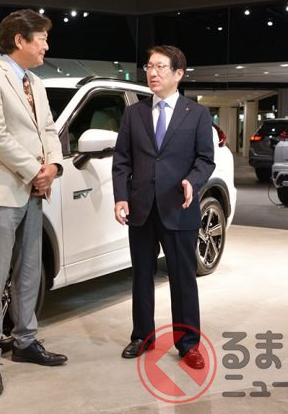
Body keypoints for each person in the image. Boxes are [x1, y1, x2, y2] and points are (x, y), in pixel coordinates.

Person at [0, 8, 67, 396]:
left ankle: (25, 342)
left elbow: (49, 130)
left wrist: (53, 166)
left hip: (34, 191)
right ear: (19, 40)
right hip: (2, 191)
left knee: (29, 272)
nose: (46, 45)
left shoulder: (35, 82)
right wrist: (34, 171)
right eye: (41, 38)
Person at [112, 45, 215, 370]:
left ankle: (188, 343)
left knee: (183, 279)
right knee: (141, 276)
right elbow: (122, 159)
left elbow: (205, 159)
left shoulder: (196, 114)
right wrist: (121, 196)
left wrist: (192, 181)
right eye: (149, 67)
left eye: (160, 67)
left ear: (178, 73)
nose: (152, 73)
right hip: (141, 208)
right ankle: (142, 336)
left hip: (178, 207)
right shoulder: (134, 113)